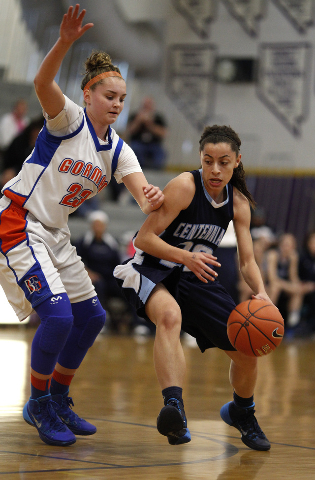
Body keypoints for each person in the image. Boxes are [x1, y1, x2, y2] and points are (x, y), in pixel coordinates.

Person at [0, 4, 164, 447]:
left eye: (122, 99)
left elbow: (139, 189)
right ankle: (36, 404)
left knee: (90, 317)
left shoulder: (119, 150)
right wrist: (65, 43)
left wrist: (150, 197)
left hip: (54, 233)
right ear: (88, 94)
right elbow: (40, 82)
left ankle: (57, 398)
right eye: (109, 96)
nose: (116, 104)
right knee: (56, 318)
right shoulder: (69, 119)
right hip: (19, 220)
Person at [114, 124, 274, 451]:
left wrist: (262, 293)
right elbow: (142, 239)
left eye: (224, 162)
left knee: (247, 350)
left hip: (195, 275)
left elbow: (247, 262)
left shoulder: (238, 202)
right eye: (208, 160)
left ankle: (242, 412)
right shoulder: (185, 186)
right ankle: (174, 409)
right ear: (200, 159)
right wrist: (186, 257)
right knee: (170, 317)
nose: (215, 169)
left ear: (237, 161)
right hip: (152, 269)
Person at [75, 210, 133, 333]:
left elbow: (118, 264)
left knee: (127, 288)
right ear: (91, 226)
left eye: (101, 224)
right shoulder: (84, 243)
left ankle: (135, 322)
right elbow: (76, 261)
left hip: (110, 278)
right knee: (99, 286)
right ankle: (100, 321)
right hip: (92, 279)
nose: (98, 227)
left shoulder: (111, 244)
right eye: (96, 224)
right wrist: (88, 273)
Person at [266, 233, 315, 329]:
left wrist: (299, 286)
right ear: (280, 245)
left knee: (298, 290)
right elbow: (272, 279)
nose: (287, 247)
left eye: (290, 245)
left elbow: (293, 277)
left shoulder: (293, 257)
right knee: (275, 288)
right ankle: (267, 320)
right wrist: (291, 286)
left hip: (283, 286)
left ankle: (292, 325)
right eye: (285, 244)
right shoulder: (273, 255)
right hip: (267, 285)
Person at [0, 117, 44, 189]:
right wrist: (10, 171)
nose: (36, 135)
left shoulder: (46, 148)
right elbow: (8, 160)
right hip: (16, 173)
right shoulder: (20, 141)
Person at [126, 96, 167, 170]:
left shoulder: (158, 118)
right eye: (145, 105)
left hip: (154, 144)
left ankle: (155, 171)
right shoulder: (134, 116)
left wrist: (150, 125)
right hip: (138, 143)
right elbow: (130, 131)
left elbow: (163, 133)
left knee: (161, 153)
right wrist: (138, 121)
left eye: (149, 105)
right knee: (135, 150)